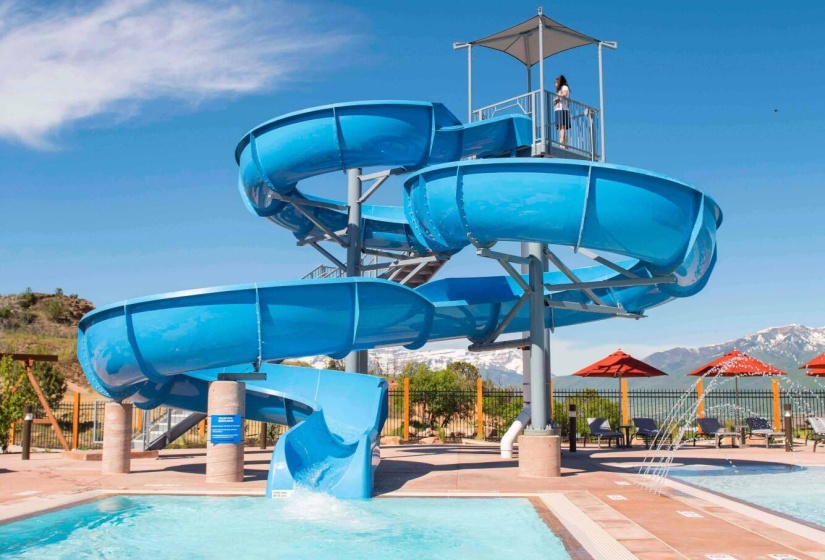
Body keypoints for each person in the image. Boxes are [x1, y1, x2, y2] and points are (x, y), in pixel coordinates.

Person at [554, 75, 570, 146]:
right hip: (559, 109)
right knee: (560, 127)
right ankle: (563, 140)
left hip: (562, 109)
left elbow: (564, 94)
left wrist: (557, 98)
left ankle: (562, 142)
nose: (555, 84)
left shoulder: (564, 87)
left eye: (556, 82)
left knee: (562, 126)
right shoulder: (559, 90)